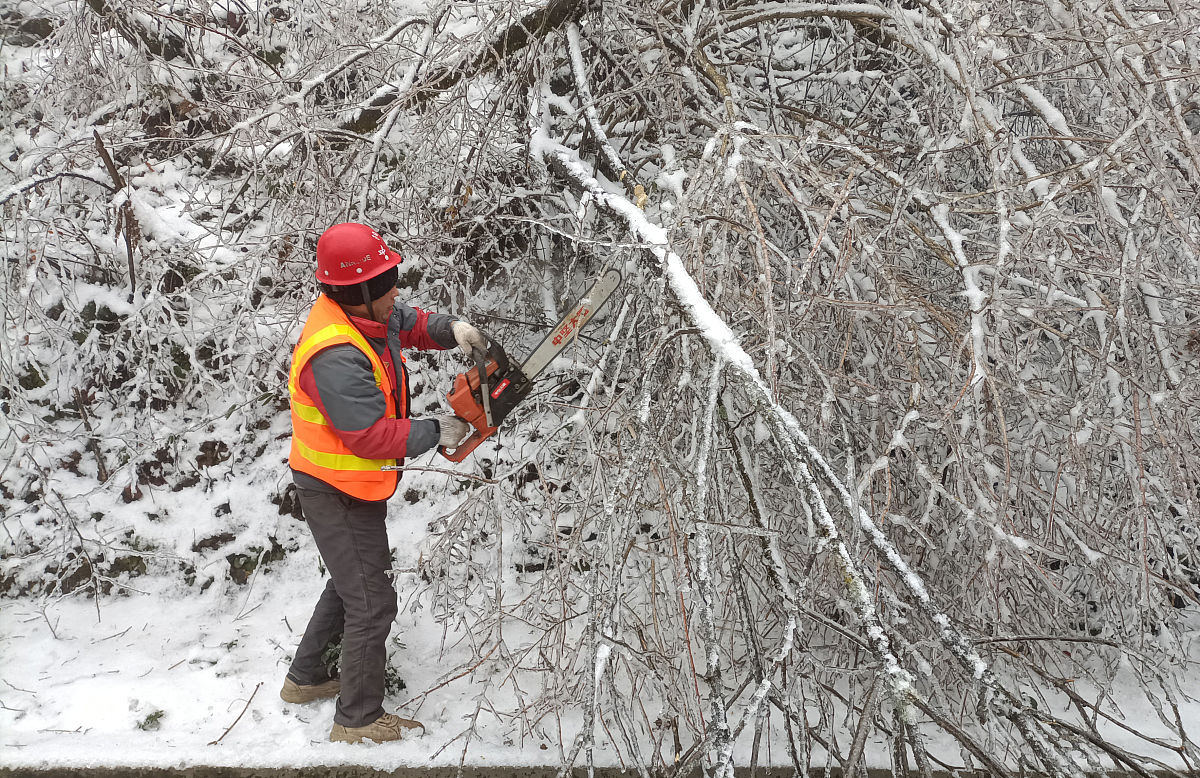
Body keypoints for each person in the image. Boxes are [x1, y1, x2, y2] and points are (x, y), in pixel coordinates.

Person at [279, 222, 486, 744]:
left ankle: (306, 678)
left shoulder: (363, 313)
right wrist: (438, 430)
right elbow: (369, 435)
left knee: (353, 583)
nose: (395, 288)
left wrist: (451, 330)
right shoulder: (336, 355)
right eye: (386, 280)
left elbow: (407, 322)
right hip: (335, 487)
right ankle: (359, 719)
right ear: (360, 291)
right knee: (372, 601)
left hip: (348, 485)